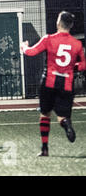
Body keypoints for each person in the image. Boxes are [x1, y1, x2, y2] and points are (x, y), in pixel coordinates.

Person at [21, 11, 85, 156]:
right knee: (62, 116)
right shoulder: (77, 44)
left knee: (45, 114)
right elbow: (83, 65)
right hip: (67, 84)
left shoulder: (49, 39)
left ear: (58, 22)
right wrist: (71, 67)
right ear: (72, 25)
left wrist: (24, 46)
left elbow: (31, 52)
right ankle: (66, 124)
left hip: (49, 82)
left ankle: (45, 149)